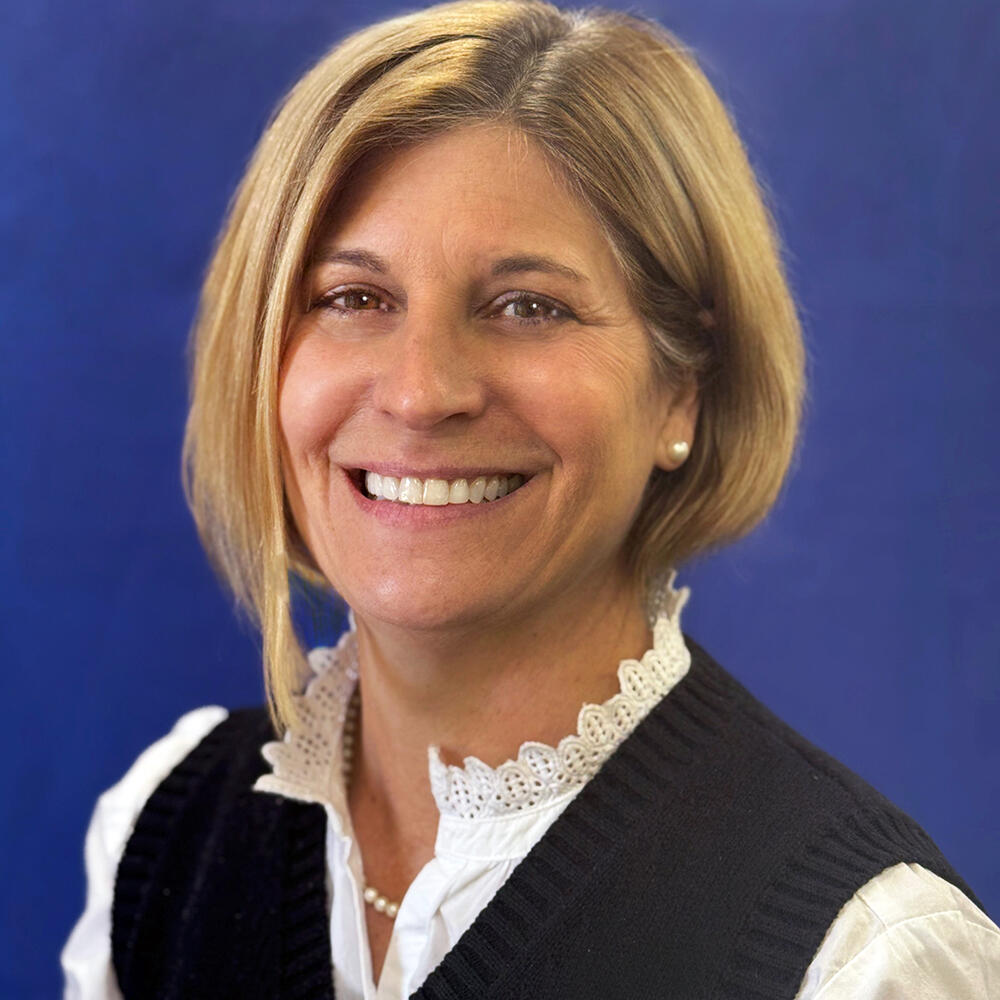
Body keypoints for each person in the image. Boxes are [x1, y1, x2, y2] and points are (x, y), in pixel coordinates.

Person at [63, 1, 999, 997]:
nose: (422, 392)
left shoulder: (861, 953)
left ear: (683, 384)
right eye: (354, 298)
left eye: (527, 306)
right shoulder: (163, 834)